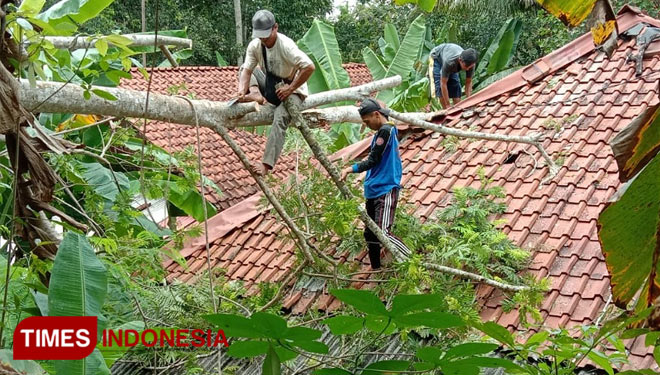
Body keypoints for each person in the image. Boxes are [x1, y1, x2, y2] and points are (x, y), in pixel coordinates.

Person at [237, 9, 315, 176]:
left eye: (266, 35)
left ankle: (266, 164)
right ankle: (255, 94)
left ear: (275, 28)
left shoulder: (286, 45)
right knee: (243, 68)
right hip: (271, 85)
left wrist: (291, 88)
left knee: (280, 117)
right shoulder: (255, 46)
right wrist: (242, 90)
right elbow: (248, 70)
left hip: (293, 90)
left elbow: (309, 67)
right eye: (260, 36)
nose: (264, 39)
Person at [340, 99, 412, 269]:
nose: (366, 125)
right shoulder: (386, 129)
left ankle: (412, 259)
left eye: (367, 121)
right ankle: (376, 268)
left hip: (385, 188)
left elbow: (373, 159)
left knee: (382, 233)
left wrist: (350, 169)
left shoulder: (385, 131)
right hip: (373, 189)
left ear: (376, 114)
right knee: (370, 233)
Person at [428, 43, 478, 109]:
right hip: (437, 58)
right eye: (466, 67)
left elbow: (468, 82)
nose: (468, 69)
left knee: (456, 86)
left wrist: (468, 100)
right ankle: (446, 111)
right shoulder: (450, 62)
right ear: (460, 60)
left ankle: (458, 109)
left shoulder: (471, 64)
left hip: (450, 57)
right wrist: (448, 105)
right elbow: (443, 83)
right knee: (439, 88)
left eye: (470, 67)